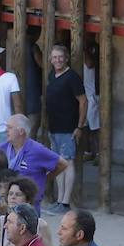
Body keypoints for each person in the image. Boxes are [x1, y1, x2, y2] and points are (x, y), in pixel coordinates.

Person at [44, 45, 85, 212]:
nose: (57, 60)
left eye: (60, 57)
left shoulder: (72, 77)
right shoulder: (52, 75)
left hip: (68, 126)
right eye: (54, 57)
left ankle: (65, 202)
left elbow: (83, 101)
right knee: (58, 163)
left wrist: (79, 126)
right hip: (54, 126)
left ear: (66, 58)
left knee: (68, 162)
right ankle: (60, 200)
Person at [0, 114, 66, 209]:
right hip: (9, 203)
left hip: (30, 206)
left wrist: (44, 179)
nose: (6, 130)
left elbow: (63, 164)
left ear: (21, 131)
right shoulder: (3, 148)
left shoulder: (37, 150)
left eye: (10, 128)